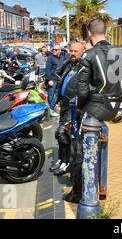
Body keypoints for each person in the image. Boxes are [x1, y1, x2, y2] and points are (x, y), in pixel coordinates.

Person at [63, 18, 122, 203]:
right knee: (99, 146)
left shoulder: (89, 56)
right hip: (114, 106)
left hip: (95, 107)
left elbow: (81, 90)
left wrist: (81, 108)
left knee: (80, 149)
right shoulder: (119, 53)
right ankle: (101, 186)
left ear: (89, 34)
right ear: (105, 32)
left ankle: (79, 193)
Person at [50, 42, 85, 175]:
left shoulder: (83, 67)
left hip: (74, 106)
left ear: (82, 52)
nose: (73, 53)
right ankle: (62, 159)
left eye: (76, 51)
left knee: (63, 133)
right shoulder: (69, 65)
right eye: (71, 50)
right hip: (64, 104)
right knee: (60, 135)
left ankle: (68, 163)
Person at [45, 45, 68, 117]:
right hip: (52, 79)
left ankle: (51, 109)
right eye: (53, 49)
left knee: (56, 95)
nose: (54, 51)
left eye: (56, 50)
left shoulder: (63, 57)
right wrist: (49, 80)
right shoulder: (50, 58)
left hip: (59, 79)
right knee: (51, 95)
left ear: (60, 51)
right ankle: (49, 110)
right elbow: (47, 70)